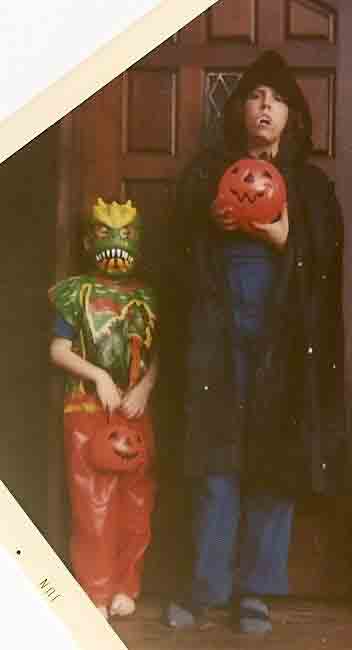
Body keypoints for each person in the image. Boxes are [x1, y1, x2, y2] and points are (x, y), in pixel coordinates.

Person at [161, 49, 347, 634]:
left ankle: (254, 592)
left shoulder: (311, 186)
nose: (265, 107)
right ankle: (204, 588)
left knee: (273, 460)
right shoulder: (205, 174)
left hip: (281, 339)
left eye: (277, 99)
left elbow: (328, 260)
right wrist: (207, 224)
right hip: (218, 334)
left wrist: (287, 239)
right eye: (256, 96)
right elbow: (174, 255)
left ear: (293, 116)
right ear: (240, 109)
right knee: (214, 456)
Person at [49, 198, 158, 620]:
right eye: (105, 233)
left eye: (125, 234)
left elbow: (158, 356)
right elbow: (59, 349)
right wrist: (98, 376)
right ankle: (94, 588)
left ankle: (126, 585)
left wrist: (144, 387)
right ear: (88, 240)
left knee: (136, 502)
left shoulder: (146, 296)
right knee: (92, 504)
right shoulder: (77, 293)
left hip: (134, 411)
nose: (116, 243)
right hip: (87, 409)